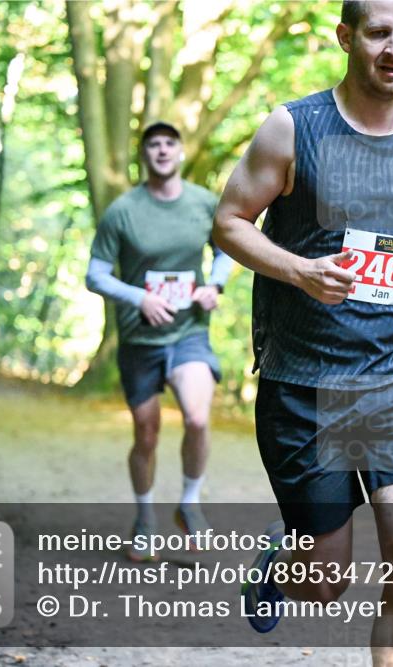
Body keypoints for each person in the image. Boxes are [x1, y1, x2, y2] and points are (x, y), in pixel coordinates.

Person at [214, 1, 393, 664]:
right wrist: (299, 270)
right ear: (346, 36)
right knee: (324, 583)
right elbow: (230, 223)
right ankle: (285, 552)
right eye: (380, 33)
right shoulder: (292, 129)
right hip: (304, 380)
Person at [86, 120, 233, 562]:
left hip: (189, 332)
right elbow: (94, 274)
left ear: (181, 152)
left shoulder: (205, 203)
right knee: (146, 435)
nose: (163, 150)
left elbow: (226, 249)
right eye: (154, 145)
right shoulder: (123, 211)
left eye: (170, 143)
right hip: (141, 339)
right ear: (144, 155)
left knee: (198, 419)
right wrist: (140, 298)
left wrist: (216, 286)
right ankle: (145, 518)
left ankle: (189, 504)